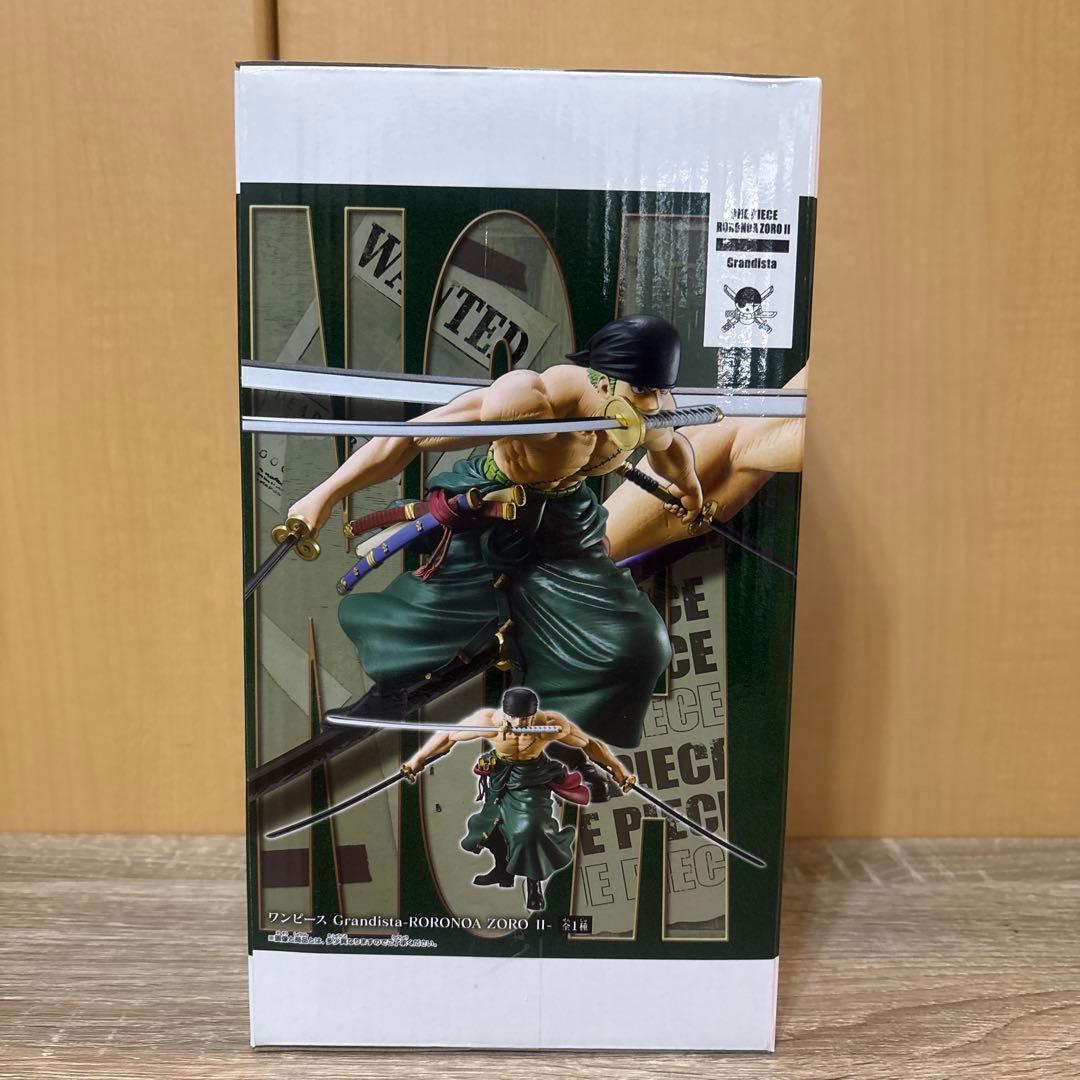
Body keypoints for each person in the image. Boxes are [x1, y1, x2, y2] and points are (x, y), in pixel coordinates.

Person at [286, 315, 703, 775]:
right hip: (492, 509)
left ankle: (556, 736)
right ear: (603, 380)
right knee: (424, 629)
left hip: (567, 524)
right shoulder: (533, 398)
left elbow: (671, 451)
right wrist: (322, 496)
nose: (656, 404)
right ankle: (390, 694)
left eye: (661, 391)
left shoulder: (646, 410)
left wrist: (691, 492)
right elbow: (409, 438)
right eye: (643, 391)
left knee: (641, 644)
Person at [401, 687, 635, 912]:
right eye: (514, 718)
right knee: (490, 827)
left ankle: (533, 883)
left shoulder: (548, 725)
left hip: (532, 777)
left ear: (534, 713)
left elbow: (591, 745)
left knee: (531, 830)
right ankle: (503, 871)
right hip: (500, 776)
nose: (521, 723)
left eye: (526, 718)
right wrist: (417, 760)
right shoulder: (489, 723)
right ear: (506, 713)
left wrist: (618, 770)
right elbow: (448, 737)